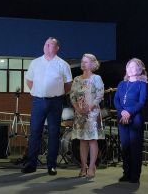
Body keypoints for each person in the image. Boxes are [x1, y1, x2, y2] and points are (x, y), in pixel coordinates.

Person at [21, 37, 72, 175]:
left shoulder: (63, 64)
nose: (47, 46)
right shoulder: (35, 63)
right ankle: (31, 163)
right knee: (35, 132)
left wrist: (56, 93)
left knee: (54, 133)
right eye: (46, 44)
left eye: (51, 45)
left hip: (55, 102)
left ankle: (51, 165)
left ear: (57, 48)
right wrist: (39, 92)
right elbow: (29, 81)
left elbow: (68, 84)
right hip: (38, 101)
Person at [70, 53, 104, 179]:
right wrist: (77, 108)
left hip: (92, 113)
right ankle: (83, 166)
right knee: (82, 140)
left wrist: (90, 107)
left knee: (92, 140)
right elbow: (72, 95)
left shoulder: (97, 78)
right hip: (79, 113)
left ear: (93, 64)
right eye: (82, 61)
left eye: (86, 61)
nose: (83, 63)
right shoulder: (77, 79)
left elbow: (100, 95)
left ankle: (91, 167)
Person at [114, 58, 148, 183]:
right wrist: (121, 111)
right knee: (125, 147)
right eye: (128, 67)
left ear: (140, 69)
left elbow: (141, 102)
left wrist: (129, 112)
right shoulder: (121, 84)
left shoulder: (142, 84)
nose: (130, 69)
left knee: (135, 147)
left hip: (135, 117)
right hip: (122, 116)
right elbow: (116, 100)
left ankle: (135, 175)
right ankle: (126, 173)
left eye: (133, 67)